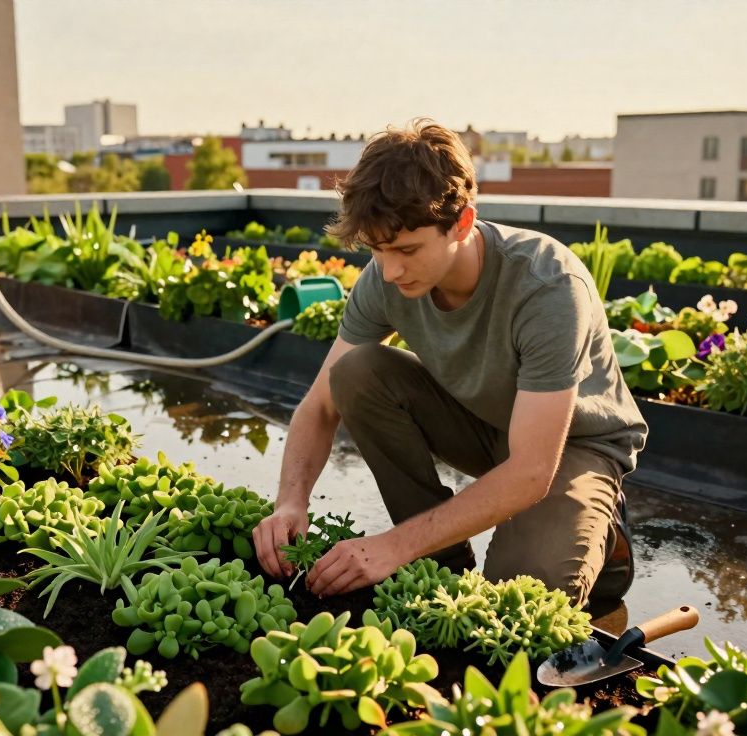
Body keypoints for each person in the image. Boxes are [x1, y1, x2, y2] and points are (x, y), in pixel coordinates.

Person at [251, 119, 646, 608]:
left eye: (406, 250)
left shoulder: (547, 286)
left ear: (461, 222)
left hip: (571, 444)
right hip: (485, 423)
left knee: (519, 594)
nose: (390, 270)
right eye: (377, 250)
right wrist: (290, 501)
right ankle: (441, 559)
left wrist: (389, 547)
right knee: (354, 374)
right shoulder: (386, 276)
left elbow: (530, 470)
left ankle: (601, 527)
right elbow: (319, 405)